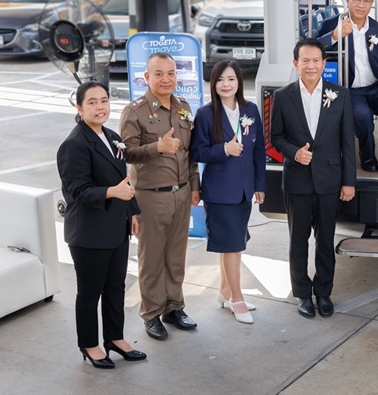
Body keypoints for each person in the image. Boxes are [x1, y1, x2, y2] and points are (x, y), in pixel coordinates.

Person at [57, 82, 147, 369]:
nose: (100, 107)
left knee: (115, 287)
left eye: (104, 100)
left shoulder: (111, 136)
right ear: (79, 108)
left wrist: (132, 212)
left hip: (116, 226)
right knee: (90, 292)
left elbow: (123, 182)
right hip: (89, 232)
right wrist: (111, 192)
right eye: (92, 102)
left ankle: (115, 338)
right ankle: (89, 344)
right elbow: (76, 192)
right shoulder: (74, 145)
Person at [271, 38, 356, 319]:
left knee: (325, 240)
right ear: (296, 64)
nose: (311, 65)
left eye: (316, 60)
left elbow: (347, 142)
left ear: (324, 63)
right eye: (305, 60)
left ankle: (323, 292)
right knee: (298, 241)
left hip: (329, 179)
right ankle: (302, 294)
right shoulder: (283, 96)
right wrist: (294, 153)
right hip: (297, 180)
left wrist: (349, 181)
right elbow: (276, 138)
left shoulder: (340, 94)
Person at [120, 52, 201, 341]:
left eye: (171, 73)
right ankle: (152, 312)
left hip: (182, 193)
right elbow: (126, 152)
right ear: (147, 77)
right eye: (159, 73)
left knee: (176, 256)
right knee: (152, 258)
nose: (166, 79)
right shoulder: (134, 111)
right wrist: (158, 148)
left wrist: (194, 185)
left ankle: (174, 307)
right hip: (151, 197)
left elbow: (189, 152)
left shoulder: (183, 107)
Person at [190, 60, 266, 325]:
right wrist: (224, 149)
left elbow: (259, 150)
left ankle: (225, 291)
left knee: (232, 244)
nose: (226, 84)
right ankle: (237, 298)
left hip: (244, 190)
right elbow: (197, 152)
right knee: (232, 245)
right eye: (220, 79)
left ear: (239, 82)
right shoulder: (205, 114)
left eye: (231, 79)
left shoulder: (250, 109)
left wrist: (259, 184)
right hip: (219, 192)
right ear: (213, 83)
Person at [319, 0, 378, 178]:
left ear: (372, 3)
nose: (361, 5)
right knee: (362, 116)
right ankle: (367, 156)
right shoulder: (331, 24)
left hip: (375, 86)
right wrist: (334, 36)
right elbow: (311, 48)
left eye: (367, 0)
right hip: (349, 89)